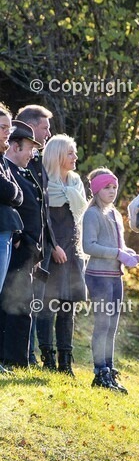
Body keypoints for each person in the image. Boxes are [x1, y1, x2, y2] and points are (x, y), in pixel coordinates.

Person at [81, 168, 139, 392]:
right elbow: (88, 246)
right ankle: (100, 372)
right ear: (97, 189)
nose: (112, 191)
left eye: (114, 187)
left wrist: (129, 253)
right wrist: (118, 254)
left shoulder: (115, 214)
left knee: (112, 326)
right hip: (98, 277)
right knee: (103, 324)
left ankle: (109, 369)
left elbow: (119, 244)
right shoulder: (92, 214)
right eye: (107, 187)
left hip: (116, 277)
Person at [0, 121, 51, 369]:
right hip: (17, 248)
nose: (33, 154)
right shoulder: (6, 169)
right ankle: (10, 358)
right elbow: (12, 201)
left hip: (28, 251)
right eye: (30, 147)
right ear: (15, 146)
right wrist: (21, 237)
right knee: (12, 305)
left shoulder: (20, 173)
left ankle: (18, 360)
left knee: (22, 305)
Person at [38, 134, 88, 376]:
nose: (75, 157)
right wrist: (53, 247)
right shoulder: (44, 182)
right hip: (51, 252)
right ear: (57, 155)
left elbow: (80, 218)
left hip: (73, 252)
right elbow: (42, 221)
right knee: (48, 307)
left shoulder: (76, 183)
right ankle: (47, 358)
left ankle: (65, 363)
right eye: (70, 153)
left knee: (68, 307)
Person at [15, 105, 54, 367]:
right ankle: (22, 354)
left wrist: (48, 242)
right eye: (44, 128)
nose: (49, 133)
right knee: (18, 298)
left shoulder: (38, 161)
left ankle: (29, 354)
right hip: (22, 239)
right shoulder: (18, 160)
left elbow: (43, 207)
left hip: (41, 242)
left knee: (34, 299)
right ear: (30, 126)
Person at [0, 106, 24, 375]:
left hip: (6, 233)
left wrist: (12, 193)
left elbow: (16, 194)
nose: (8, 133)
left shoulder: (2, 161)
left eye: (9, 128)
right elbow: (9, 191)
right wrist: (12, 193)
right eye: (3, 127)